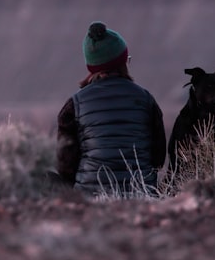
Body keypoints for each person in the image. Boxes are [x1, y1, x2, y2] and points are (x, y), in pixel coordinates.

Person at [56, 21, 166, 194]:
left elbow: (65, 165)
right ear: (123, 62)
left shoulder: (75, 105)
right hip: (142, 194)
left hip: (90, 198)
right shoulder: (146, 100)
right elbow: (158, 159)